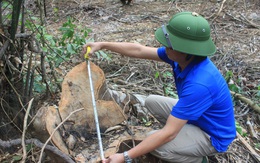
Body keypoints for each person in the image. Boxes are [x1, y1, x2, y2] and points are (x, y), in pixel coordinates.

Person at [83, 11, 236, 163]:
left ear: (187, 50)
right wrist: (103, 45)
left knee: (156, 144)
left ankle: (199, 160)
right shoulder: (182, 58)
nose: (164, 46)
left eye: (169, 45)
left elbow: (168, 134)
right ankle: (183, 136)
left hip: (212, 135)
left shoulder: (200, 83)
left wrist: (125, 157)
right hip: (199, 118)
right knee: (151, 102)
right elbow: (139, 50)